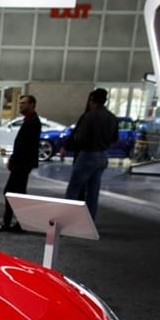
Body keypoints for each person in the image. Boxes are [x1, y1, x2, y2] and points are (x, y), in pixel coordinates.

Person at [63, 87, 118, 222]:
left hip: (88, 154)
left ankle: (68, 220)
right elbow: (115, 138)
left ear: (91, 100)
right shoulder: (111, 117)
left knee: (74, 189)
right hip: (102, 155)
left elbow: (80, 137)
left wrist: (72, 145)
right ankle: (88, 222)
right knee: (93, 191)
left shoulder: (89, 116)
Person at [0, 94, 42, 233]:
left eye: (24, 103)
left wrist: (13, 160)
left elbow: (24, 146)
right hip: (22, 163)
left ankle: (13, 222)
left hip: (22, 164)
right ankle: (16, 222)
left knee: (12, 193)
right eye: (20, 103)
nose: (21, 105)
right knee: (17, 193)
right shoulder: (29, 121)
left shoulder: (33, 122)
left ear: (32, 105)